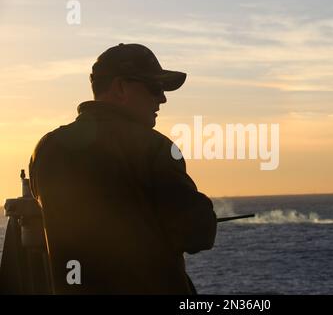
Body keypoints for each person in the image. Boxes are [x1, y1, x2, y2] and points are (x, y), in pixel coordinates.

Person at [28, 43, 217, 294]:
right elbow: (197, 234)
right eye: (154, 87)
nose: (162, 98)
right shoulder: (154, 148)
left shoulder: (47, 149)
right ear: (120, 87)